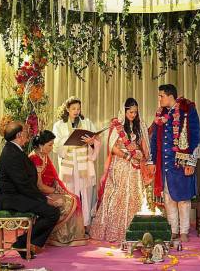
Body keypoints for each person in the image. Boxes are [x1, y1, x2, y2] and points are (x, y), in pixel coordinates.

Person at [0, 122, 60, 259]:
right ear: (19, 135)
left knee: (50, 210)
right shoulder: (11, 153)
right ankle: (22, 242)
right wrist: (44, 199)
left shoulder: (14, 149)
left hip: (18, 195)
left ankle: (25, 243)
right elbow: (23, 184)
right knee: (52, 212)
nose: (28, 134)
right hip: (11, 199)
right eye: (25, 131)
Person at [90, 98, 151, 242]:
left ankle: (134, 231)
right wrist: (127, 156)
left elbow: (144, 146)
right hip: (120, 164)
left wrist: (142, 156)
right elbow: (112, 147)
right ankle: (114, 231)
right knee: (117, 195)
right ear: (124, 111)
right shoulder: (117, 125)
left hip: (135, 167)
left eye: (135, 112)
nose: (133, 115)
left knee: (134, 196)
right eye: (130, 112)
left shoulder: (140, 125)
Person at [147, 84, 200, 243]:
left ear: (170, 96)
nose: (159, 99)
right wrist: (152, 160)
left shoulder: (187, 109)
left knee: (183, 198)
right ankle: (173, 230)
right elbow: (154, 139)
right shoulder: (160, 114)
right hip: (165, 163)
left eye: (161, 96)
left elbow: (196, 137)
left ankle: (184, 231)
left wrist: (191, 162)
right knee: (168, 197)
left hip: (181, 162)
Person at [29, 130, 88, 247]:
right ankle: (56, 236)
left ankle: (69, 236)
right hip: (39, 194)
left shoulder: (43, 155)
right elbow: (39, 185)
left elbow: (54, 177)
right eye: (49, 145)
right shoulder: (35, 158)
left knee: (74, 197)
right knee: (66, 201)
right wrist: (56, 191)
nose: (52, 148)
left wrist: (60, 189)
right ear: (41, 145)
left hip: (49, 190)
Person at [52, 96, 100, 230]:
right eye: (73, 108)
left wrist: (91, 143)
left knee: (85, 193)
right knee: (70, 193)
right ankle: (69, 225)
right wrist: (69, 138)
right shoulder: (59, 125)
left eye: (78, 108)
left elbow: (96, 139)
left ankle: (85, 225)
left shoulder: (86, 122)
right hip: (69, 162)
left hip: (83, 162)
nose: (76, 111)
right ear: (67, 109)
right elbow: (55, 145)